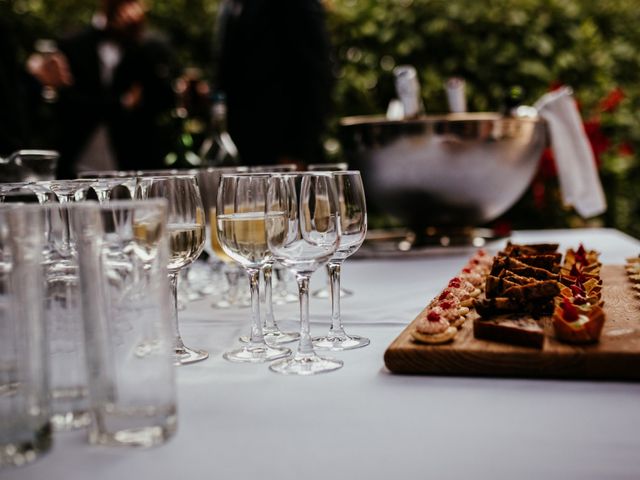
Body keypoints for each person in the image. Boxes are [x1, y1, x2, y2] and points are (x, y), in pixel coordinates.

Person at [54, 0, 177, 178]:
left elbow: (164, 100)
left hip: (136, 164)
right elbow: (67, 104)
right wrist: (122, 103)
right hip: (78, 164)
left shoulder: (152, 46)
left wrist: (138, 39)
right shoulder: (71, 44)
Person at [215, 0, 333, 166]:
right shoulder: (229, 5)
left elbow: (315, 75)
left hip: (283, 152)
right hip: (243, 150)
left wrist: (297, 151)